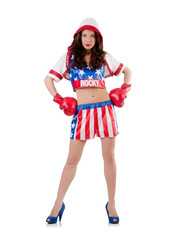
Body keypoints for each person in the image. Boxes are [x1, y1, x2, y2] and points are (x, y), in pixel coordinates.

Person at [44, 18, 132, 224]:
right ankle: (58, 203)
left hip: (105, 110)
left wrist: (124, 89)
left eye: (92, 35)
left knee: (109, 157)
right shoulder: (69, 57)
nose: (88, 39)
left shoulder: (104, 57)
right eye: (84, 35)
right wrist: (58, 98)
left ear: (97, 38)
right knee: (71, 160)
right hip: (82, 113)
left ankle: (111, 204)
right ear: (78, 36)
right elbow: (48, 79)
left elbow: (127, 71)